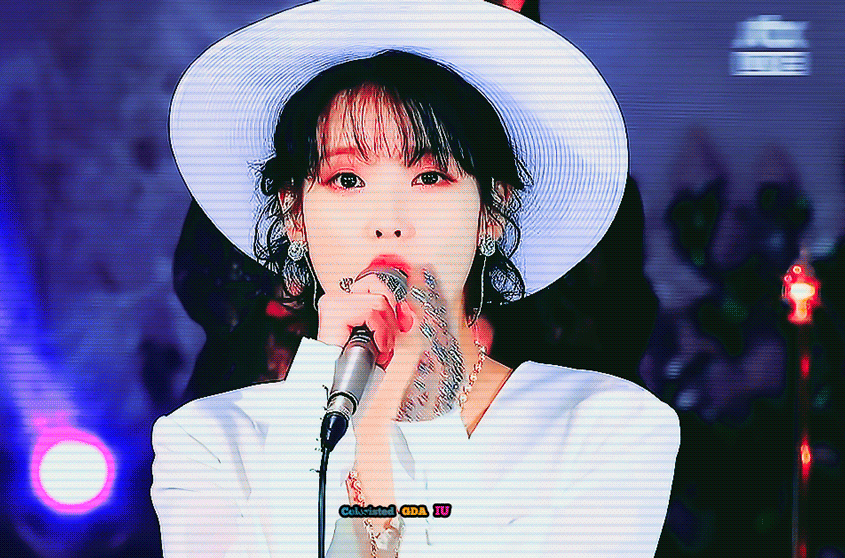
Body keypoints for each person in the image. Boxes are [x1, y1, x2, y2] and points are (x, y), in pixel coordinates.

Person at [151, 1, 680, 556]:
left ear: (492, 211)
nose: (388, 221)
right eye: (347, 179)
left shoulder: (609, 425)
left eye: (428, 176)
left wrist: (420, 417)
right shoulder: (208, 441)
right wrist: (334, 403)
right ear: (294, 215)